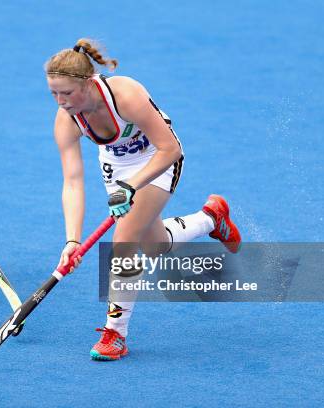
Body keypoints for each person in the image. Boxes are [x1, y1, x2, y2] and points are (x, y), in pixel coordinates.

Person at [45, 39, 241, 361]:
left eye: (67, 93)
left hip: (157, 157)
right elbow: (72, 181)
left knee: (124, 240)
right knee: (154, 245)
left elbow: (170, 149)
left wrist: (132, 186)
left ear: (90, 83)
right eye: (54, 93)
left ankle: (115, 334)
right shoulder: (66, 120)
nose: (61, 101)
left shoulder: (126, 95)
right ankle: (211, 217)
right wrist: (71, 240)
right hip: (118, 166)